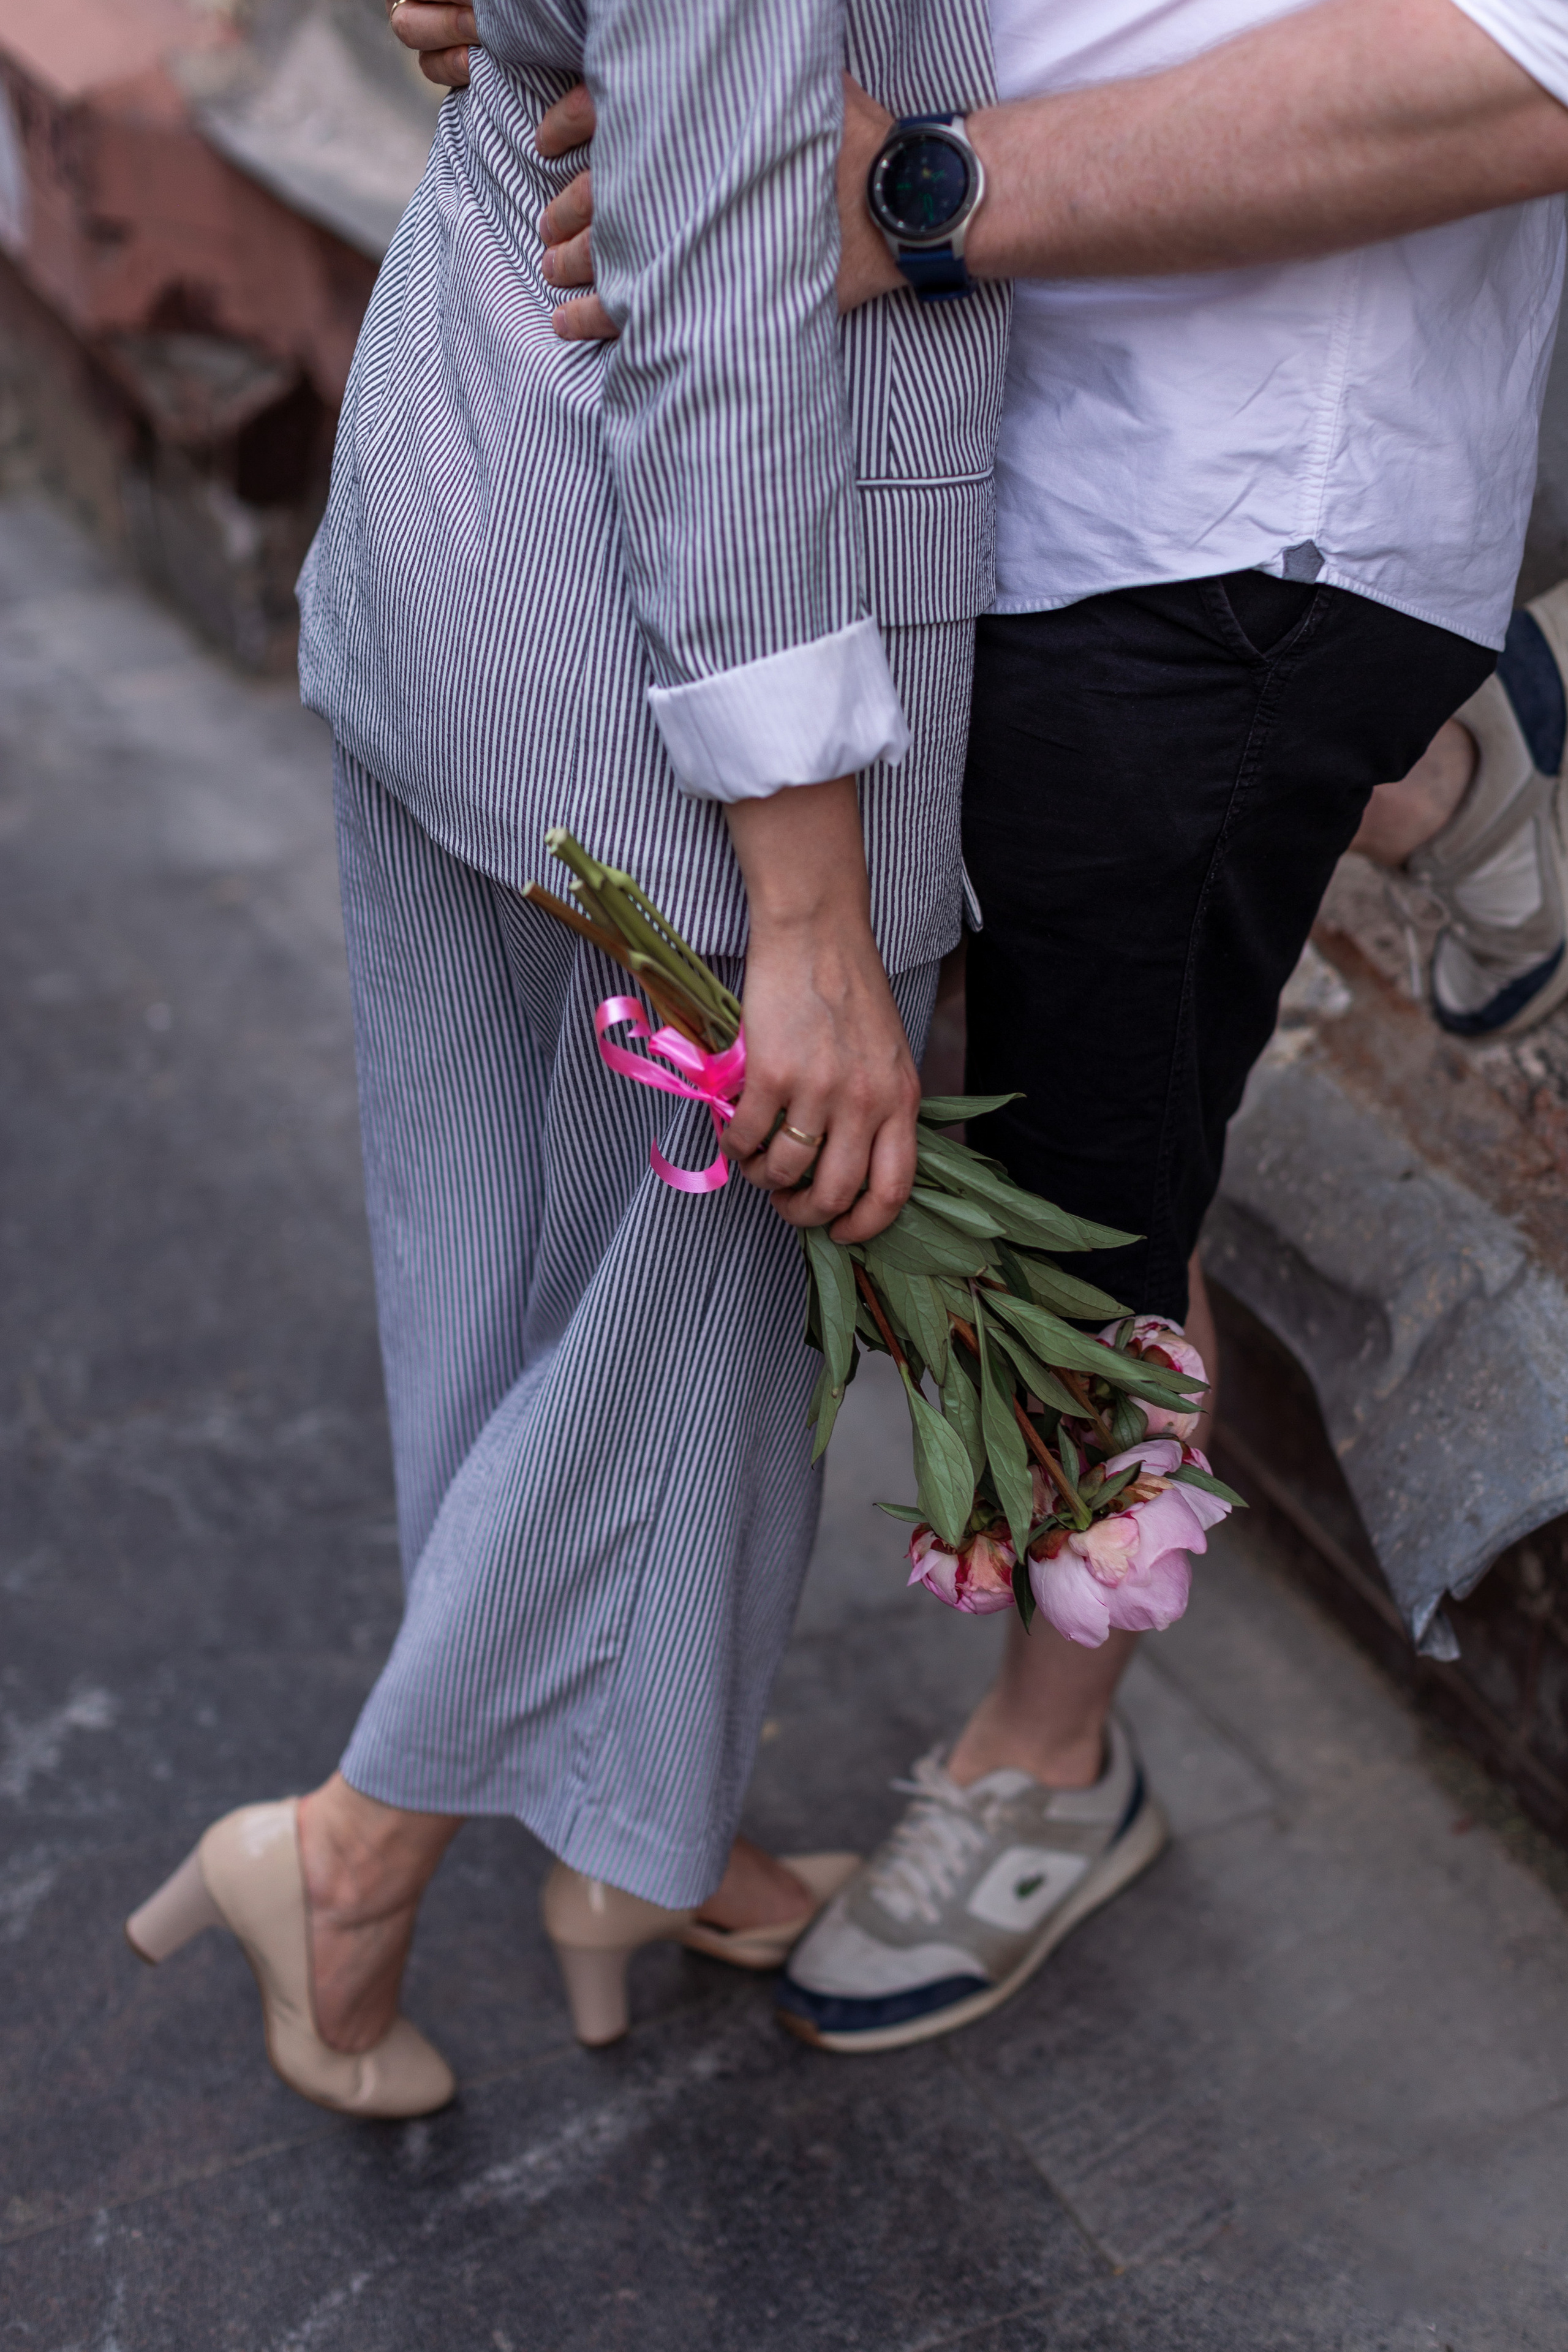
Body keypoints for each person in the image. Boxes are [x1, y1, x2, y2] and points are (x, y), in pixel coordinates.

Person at [430, 0, 1568, 2054]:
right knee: (909, 1060)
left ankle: (1057, 1763)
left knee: (1070, 1207)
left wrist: (901, 190)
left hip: (1215, 501)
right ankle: (1427, 768)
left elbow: (1529, 62)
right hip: (912, 406)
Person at [120, 0, 1011, 2114]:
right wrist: (807, 910)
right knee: (711, 1282)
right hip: (688, 628)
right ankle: (345, 1853)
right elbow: (720, 287)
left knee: (514, 1265)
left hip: (488, 498)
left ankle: (633, 1840)